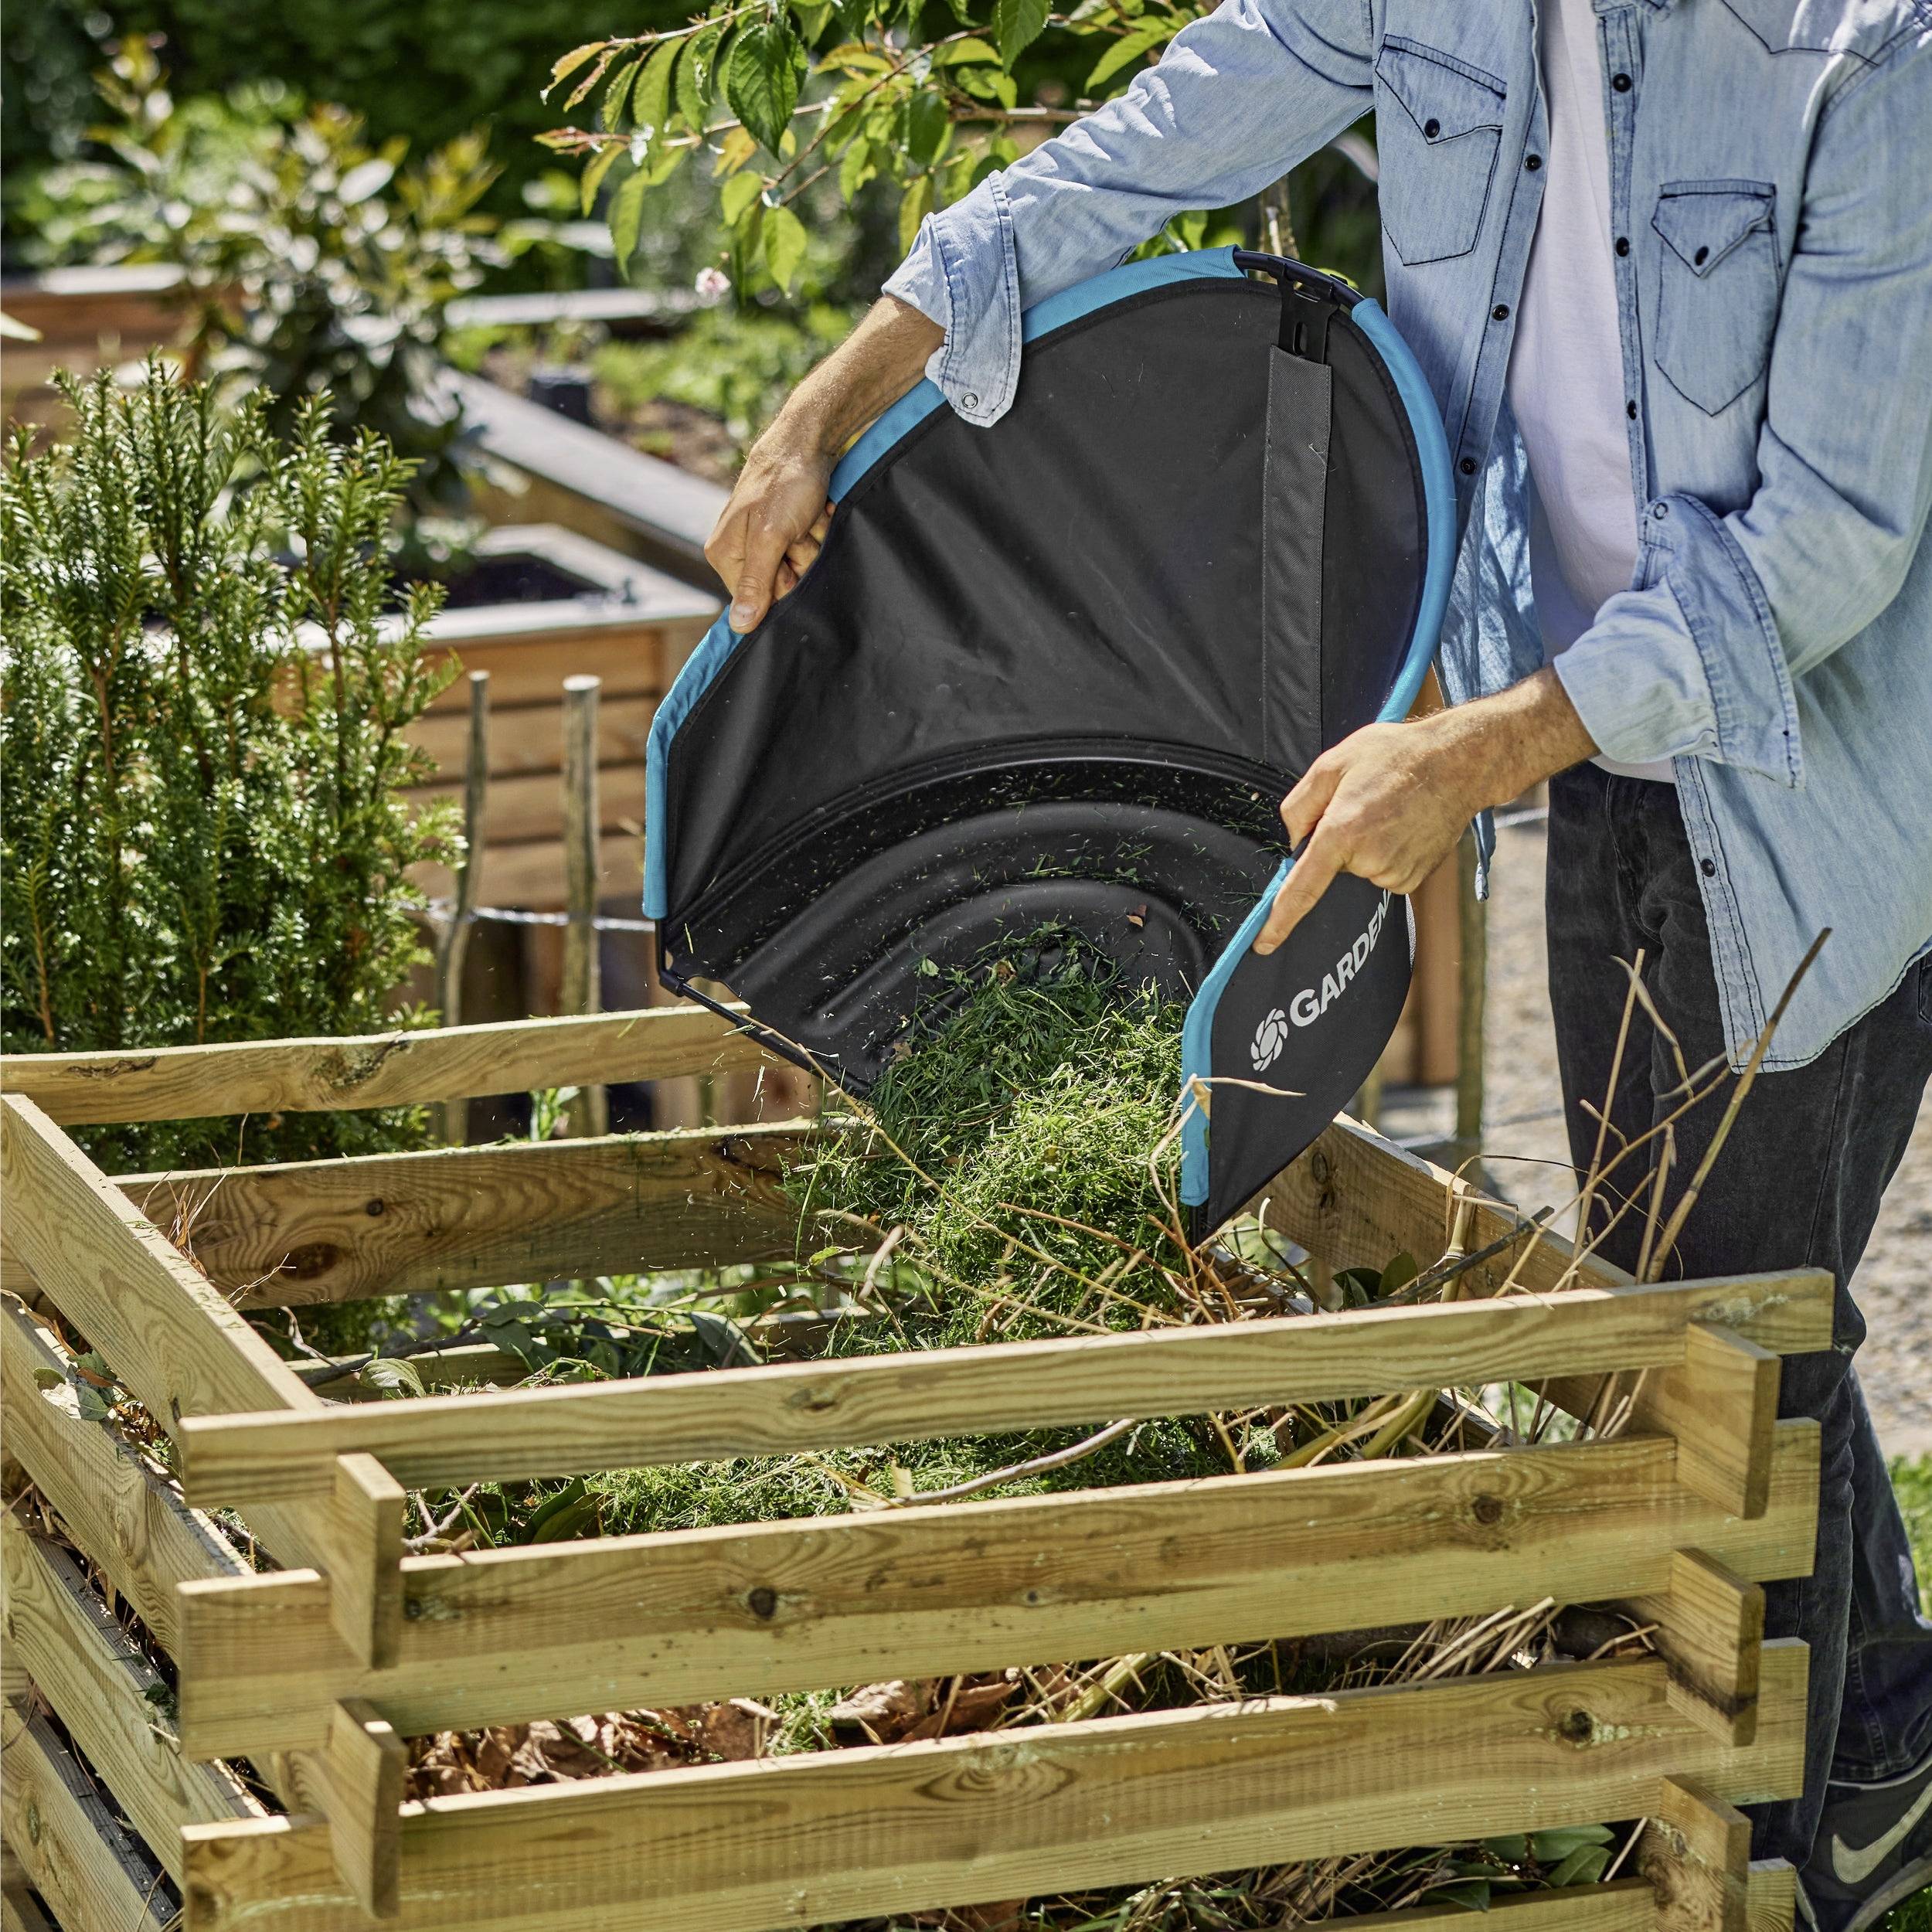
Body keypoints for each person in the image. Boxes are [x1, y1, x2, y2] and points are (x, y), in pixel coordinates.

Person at [704, 1, 1932, 1920]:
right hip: (1594, 734)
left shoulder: (1861, 58)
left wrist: (1476, 744)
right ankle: (1869, 1749)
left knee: (1717, 1332)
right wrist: (821, 410)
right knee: (1680, 1285)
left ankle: (1774, 1840)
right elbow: (1141, 146)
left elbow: (1830, 546)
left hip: (1813, 762)